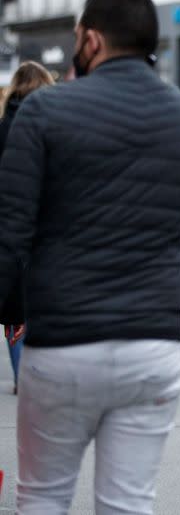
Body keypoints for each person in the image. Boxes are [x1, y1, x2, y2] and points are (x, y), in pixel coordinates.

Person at [0, 0, 180, 513]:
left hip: (63, 342)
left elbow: (10, 234)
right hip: (154, 344)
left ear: (91, 40)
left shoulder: (44, 112)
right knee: (128, 502)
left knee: (43, 497)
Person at [0, 61, 54, 395]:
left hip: (8, 225)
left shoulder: (3, 127)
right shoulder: (57, 125)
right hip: (48, 225)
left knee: (13, 302)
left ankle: (23, 375)